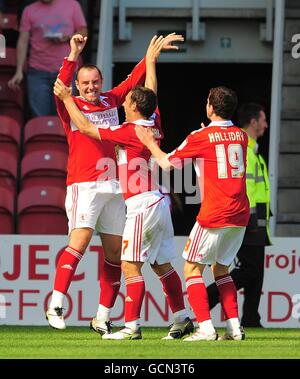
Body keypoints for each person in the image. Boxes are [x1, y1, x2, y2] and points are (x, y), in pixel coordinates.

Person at [53, 34, 194, 340]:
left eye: (129, 99)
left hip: (140, 204)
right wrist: (151, 61)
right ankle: (183, 317)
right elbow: (150, 92)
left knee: (130, 266)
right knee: (162, 264)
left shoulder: (127, 131)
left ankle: (131, 327)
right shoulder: (152, 121)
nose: (124, 99)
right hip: (159, 202)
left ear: (132, 107)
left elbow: (89, 128)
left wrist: (66, 98)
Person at [135, 86, 250, 341]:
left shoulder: (200, 136)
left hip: (215, 212)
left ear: (210, 107)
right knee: (221, 270)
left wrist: (149, 143)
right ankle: (233, 327)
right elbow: (220, 147)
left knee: (192, 269)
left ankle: (206, 328)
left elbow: (167, 163)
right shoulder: (241, 136)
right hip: (240, 214)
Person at [206, 103, 271, 327]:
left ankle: (252, 317)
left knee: (256, 272)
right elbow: (242, 186)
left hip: (256, 220)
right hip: (247, 219)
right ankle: (207, 298)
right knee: (250, 270)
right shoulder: (243, 148)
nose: (266, 125)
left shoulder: (252, 150)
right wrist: (251, 218)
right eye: (263, 120)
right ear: (253, 122)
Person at [7, 0, 87, 116]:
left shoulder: (72, 5)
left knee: (67, 118)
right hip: (37, 72)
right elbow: (23, 41)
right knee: (40, 119)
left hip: (66, 72)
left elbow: (83, 31)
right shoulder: (29, 10)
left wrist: (68, 37)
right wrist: (19, 71)